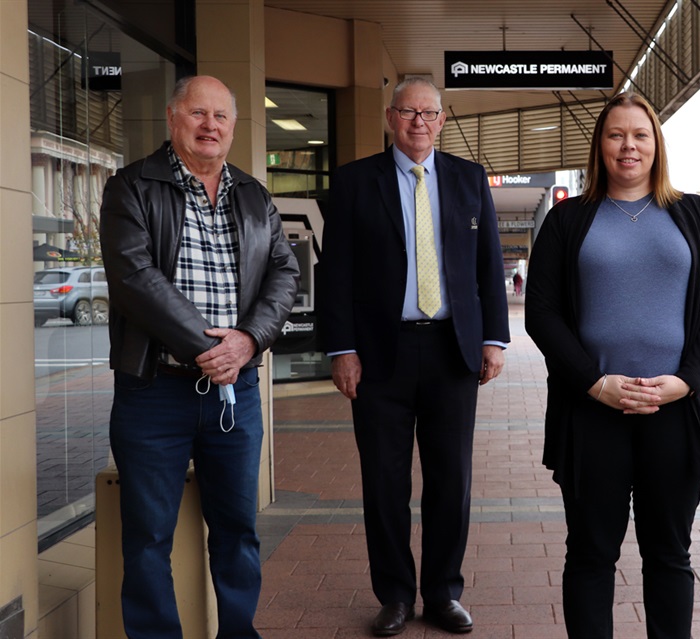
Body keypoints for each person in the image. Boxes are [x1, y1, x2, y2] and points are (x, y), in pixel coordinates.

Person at [525, 92, 700, 638]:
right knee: (591, 554)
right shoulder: (568, 219)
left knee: (668, 554)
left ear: (656, 144)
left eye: (640, 135)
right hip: (592, 410)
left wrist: (685, 381)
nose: (628, 145)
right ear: (600, 145)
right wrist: (595, 384)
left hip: (675, 411)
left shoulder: (695, 215)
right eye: (616, 134)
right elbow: (542, 315)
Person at [100, 75, 299, 638]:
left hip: (234, 395)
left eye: (222, 116)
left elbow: (285, 274)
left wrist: (249, 340)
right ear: (172, 117)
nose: (210, 125)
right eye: (198, 113)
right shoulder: (131, 186)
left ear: (234, 127)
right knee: (147, 536)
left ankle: (239, 633)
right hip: (153, 393)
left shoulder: (255, 195)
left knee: (238, 529)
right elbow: (134, 279)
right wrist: (212, 348)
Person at [317, 77, 509, 637]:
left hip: (453, 351)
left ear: (443, 120)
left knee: (452, 481)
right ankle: (396, 595)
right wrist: (342, 349)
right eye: (407, 112)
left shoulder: (470, 179)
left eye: (429, 113)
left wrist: (493, 338)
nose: (418, 122)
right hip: (380, 354)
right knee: (384, 482)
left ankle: (444, 593)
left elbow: (487, 265)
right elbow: (336, 274)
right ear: (389, 117)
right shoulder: (355, 182)